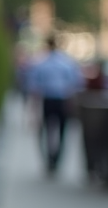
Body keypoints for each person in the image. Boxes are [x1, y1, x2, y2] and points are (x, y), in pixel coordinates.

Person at [27, 35, 85, 175]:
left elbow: (34, 87)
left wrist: (34, 109)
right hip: (63, 100)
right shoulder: (67, 62)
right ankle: (57, 159)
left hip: (48, 100)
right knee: (62, 131)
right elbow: (77, 84)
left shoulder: (41, 63)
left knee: (47, 130)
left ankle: (49, 159)